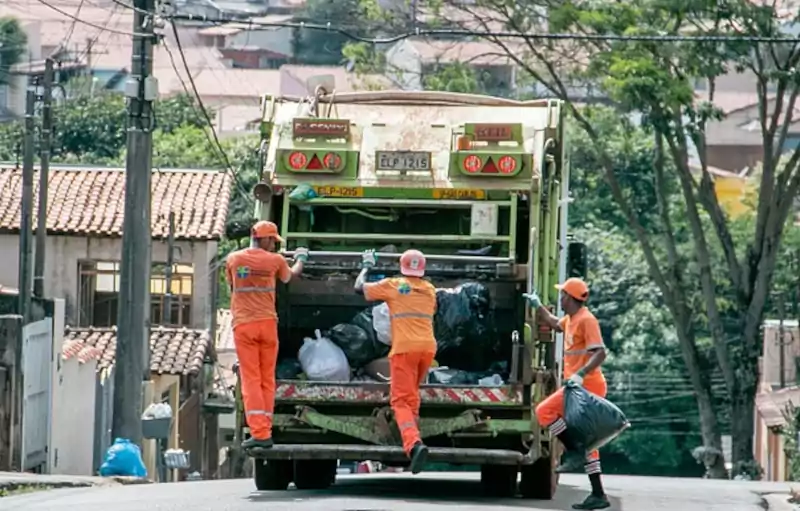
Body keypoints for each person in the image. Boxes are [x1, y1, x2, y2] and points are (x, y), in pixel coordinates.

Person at [524, 277, 610, 510]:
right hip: (578, 386)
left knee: (544, 411)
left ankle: (574, 452)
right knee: (589, 444)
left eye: (563, 295)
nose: (560, 298)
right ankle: (598, 494)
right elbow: (553, 322)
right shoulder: (572, 319)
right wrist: (537, 305)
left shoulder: (586, 320)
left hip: (586, 386)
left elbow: (600, 353)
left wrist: (580, 374)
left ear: (571, 298)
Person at [226, 220, 309, 450]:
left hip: (244, 326)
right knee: (266, 379)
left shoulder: (234, 259)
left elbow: (232, 287)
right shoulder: (276, 261)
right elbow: (290, 277)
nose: (274, 244)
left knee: (251, 380)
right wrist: (301, 257)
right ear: (262, 238)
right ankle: (266, 427)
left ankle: (260, 432)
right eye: (272, 240)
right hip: (267, 325)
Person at [354, 248, 436, 474]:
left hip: (404, 349)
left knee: (400, 401)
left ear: (402, 267)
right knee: (412, 396)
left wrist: (367, 266)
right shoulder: (429, 289)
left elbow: (358, 288)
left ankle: (413, 444)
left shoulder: (394, 285)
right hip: (427, 348)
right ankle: (414, 435)